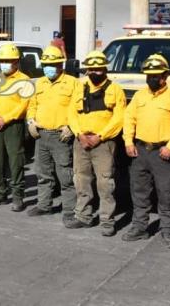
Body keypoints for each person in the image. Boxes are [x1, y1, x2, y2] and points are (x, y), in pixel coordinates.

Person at [122, 54, 170, 249]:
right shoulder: (139, 95)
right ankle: (139, 228)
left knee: (167, 193)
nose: (152, 79)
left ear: (165, 75)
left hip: (163, 153)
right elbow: (129, 119)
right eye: (149, 75)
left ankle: (169, 230)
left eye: (156, 75)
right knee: (139, 192)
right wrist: (128, 142)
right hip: (140, 150)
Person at [66, 51, 126, 235]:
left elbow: (119, 118)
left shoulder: (115, 89)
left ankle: (107, 221)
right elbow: (71, 114)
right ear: (87, 70)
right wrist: (79, 134)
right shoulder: (79, 88)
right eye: (92, 69)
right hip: (81, 141)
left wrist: (100, 136)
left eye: (99, 69)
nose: (95, 72)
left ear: (105, 69)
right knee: (81, 179)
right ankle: (83, 216)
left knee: (105, 183)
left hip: (103, 143)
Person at [26, 45, 81, 225]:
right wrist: (30, 121)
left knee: (65, 175)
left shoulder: (73, 83)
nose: (49, 68)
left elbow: (78, 108)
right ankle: (44, 205)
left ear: (60, 65)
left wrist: (72, 127)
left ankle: (69, 211)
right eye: (46, 65)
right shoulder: (40, 83)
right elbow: (32, 104)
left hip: (61, 136)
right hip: (41, 135)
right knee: (42, 173)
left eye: (52, 64)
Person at [0, 43, 31, 211]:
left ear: (16, 62)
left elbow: (24, 104)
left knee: (15, 160)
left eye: (8, 61)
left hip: (13, 125)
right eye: (2, 61)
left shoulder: (24, 80)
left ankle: (18, 196)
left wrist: (6, 118)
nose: (4, 63)